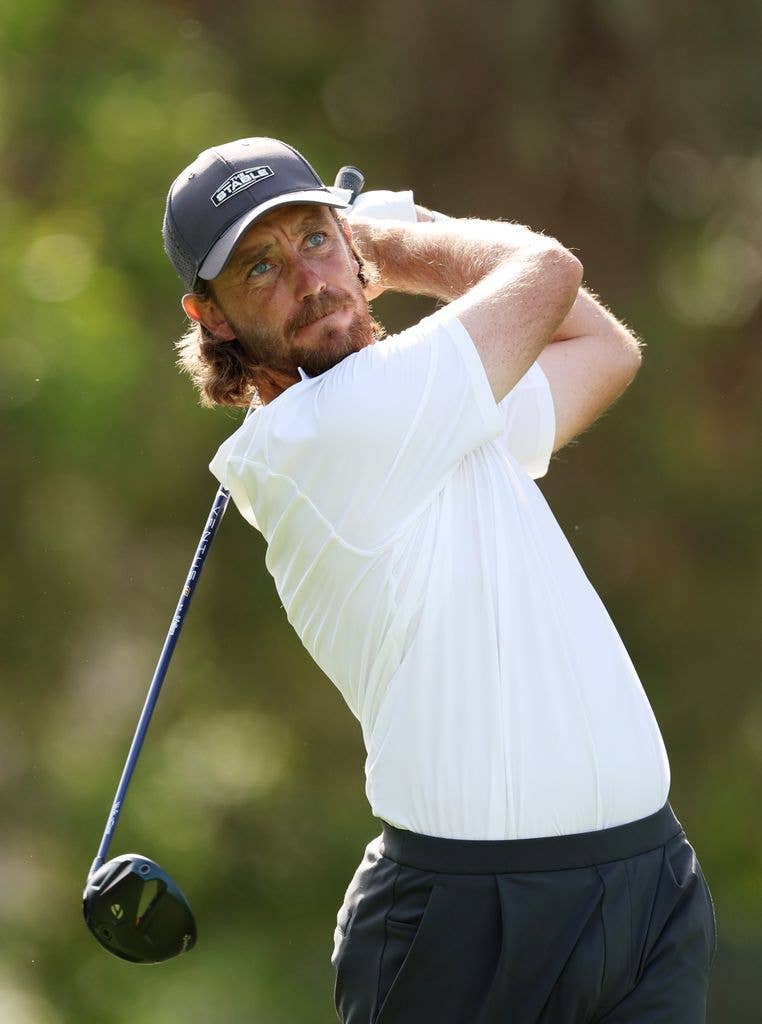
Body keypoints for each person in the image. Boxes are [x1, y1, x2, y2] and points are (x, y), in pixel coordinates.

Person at [162, 137, 717, 1023]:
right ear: (214, 317)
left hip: (646, 890)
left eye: (314, 240)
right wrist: (398, 245)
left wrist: (384, 235)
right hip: (472, 924)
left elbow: (604, 348)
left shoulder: (430, 411)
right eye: (260, 268)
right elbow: (549, 272)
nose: (309, 281)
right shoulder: (324, 434)